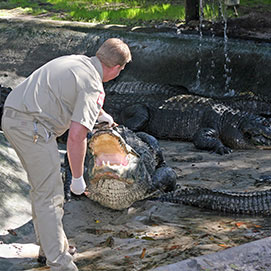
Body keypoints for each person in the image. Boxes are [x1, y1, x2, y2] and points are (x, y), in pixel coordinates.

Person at [1, 38, 132, 271]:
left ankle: (50, 247)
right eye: (121, 69)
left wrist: (101, 115)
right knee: (50, 197)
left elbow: (74, 92)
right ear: (117, 68)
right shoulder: (94, 86)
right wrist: (79, 179)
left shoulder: (77, 61)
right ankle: (60, 263)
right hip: (33, 128)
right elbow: (76, 137)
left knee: (42, 189)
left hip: (13, 116)